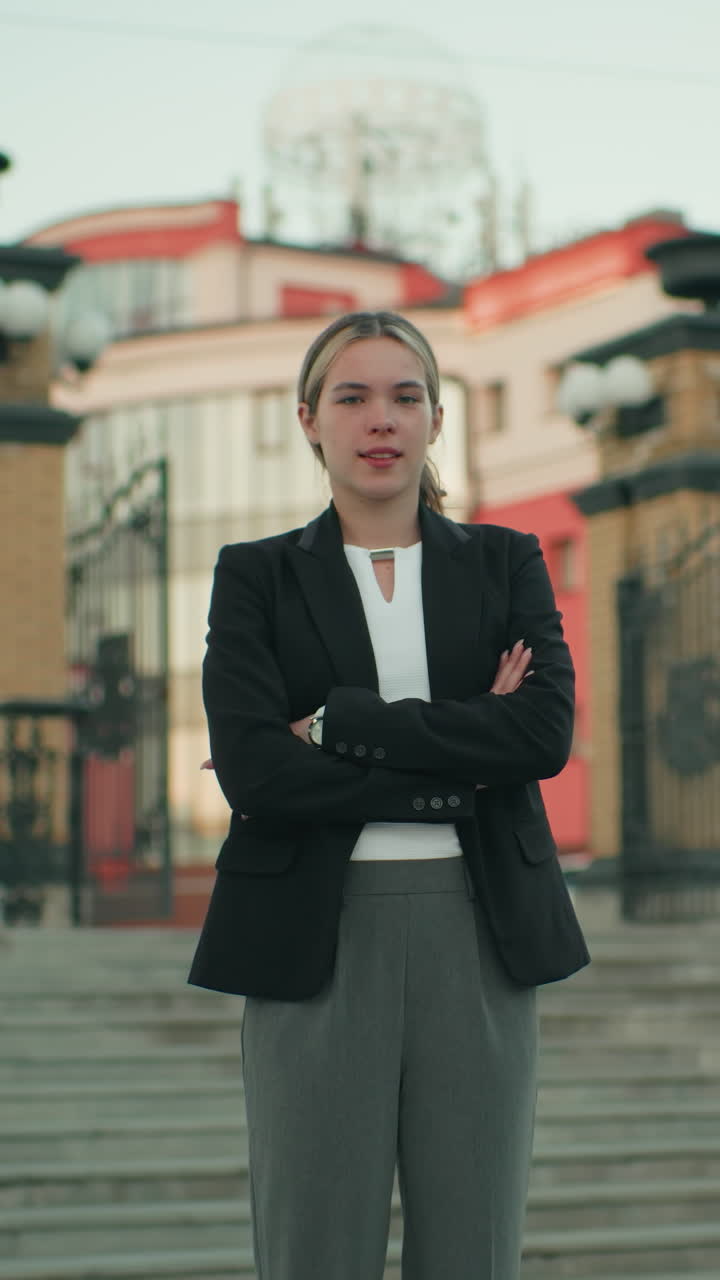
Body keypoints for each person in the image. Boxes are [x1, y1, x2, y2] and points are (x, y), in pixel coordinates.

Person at [188, 310, 590, 1280]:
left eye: (405, 396)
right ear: (308, 419)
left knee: (472, 1244)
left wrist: (333, 721)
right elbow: (254, 770)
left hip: (481, 927)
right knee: (314, 1241)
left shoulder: (505, 561)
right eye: (354, 396)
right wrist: (460, 756)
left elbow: (540, 734)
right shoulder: (257, 577)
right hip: (312, 935)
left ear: (436, 420)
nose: (382, 418)